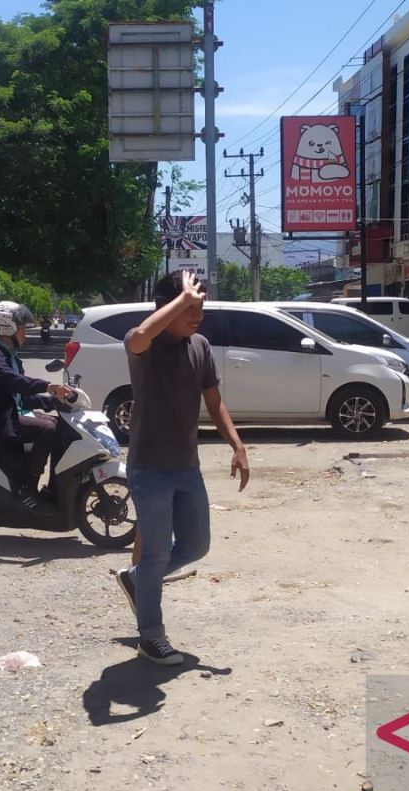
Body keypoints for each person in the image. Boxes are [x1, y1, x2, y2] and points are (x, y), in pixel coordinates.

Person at [114, 271, 250, 666]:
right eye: (191, 308)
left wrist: (237, 445)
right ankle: (151, 636)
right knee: (156, 554)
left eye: (201, 308)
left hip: (186, 467)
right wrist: (181, 299)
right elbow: (139, 335)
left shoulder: (201, 347)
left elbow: (214, 401)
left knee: (196, 546)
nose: (198, 315)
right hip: (149, 467)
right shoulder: (145, 346)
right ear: (166, 307)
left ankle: (138, 580)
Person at [0, 301, 73, 515]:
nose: (25, 332)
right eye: (22, 328)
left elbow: (23, 398)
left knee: (57, 424)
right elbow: (12, 381)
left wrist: (57, 403)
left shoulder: (10, 356)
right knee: (47, 429)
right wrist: (48, 386)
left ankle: (52, 487)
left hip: (7, 414)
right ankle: (27, 490)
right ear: (6, 328)